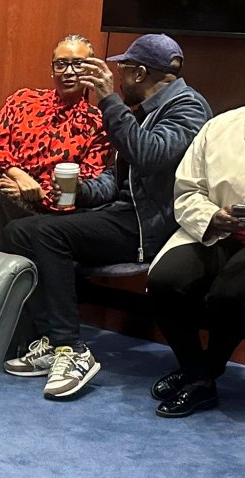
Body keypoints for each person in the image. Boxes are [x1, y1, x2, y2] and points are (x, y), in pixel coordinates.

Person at [1, 34, 212, 399]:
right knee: (20, 231)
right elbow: (117, 184)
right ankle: (52, 342)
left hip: (151, 229)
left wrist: (109, 101)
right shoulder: (144, 113)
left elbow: (149, 156)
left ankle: (72, 349)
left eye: (124, 70)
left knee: (49, 234)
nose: (118, 78)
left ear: (141, 72)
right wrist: (80, 191)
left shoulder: (188, 108)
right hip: (123, 214)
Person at [0, 35, 111, 250]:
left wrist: (32, 192)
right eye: (61, 64)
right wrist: (20, 176)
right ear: (52, 70)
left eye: (78, 65)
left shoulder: (98, 123)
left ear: (91, 72)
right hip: (2, 190)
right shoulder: (23, 100)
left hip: (49, 212)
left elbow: (84, 183)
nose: (68, 72)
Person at [146, 106, 245, 418]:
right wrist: (213, 217)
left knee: (230, 295)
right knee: (165, 281)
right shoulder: (220, 126)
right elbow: (187, 192)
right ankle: (196, 372)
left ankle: (205, 371)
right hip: (216, 229)